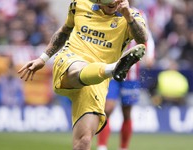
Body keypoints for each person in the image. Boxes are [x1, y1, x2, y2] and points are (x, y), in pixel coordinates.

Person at [18, 0, 147, 150]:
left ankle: (111, 69)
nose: (114, 2)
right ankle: (113, 69)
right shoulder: (79, 4)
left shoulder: (132, 16)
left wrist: (128, 16)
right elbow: (65, 30)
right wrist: (43, 58)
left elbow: (142, 39)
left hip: (96, 83)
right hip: (70, 60)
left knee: (84, 142)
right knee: (77, 69)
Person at [97, 1, 155, 150]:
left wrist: (150, 54)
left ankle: (123, 147)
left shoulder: (139, 14)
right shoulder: (110, 11)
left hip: (131, 73)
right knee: (107, 108)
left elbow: (146, 36)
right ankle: (102, 146)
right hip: (112, 69)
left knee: (127, 111)